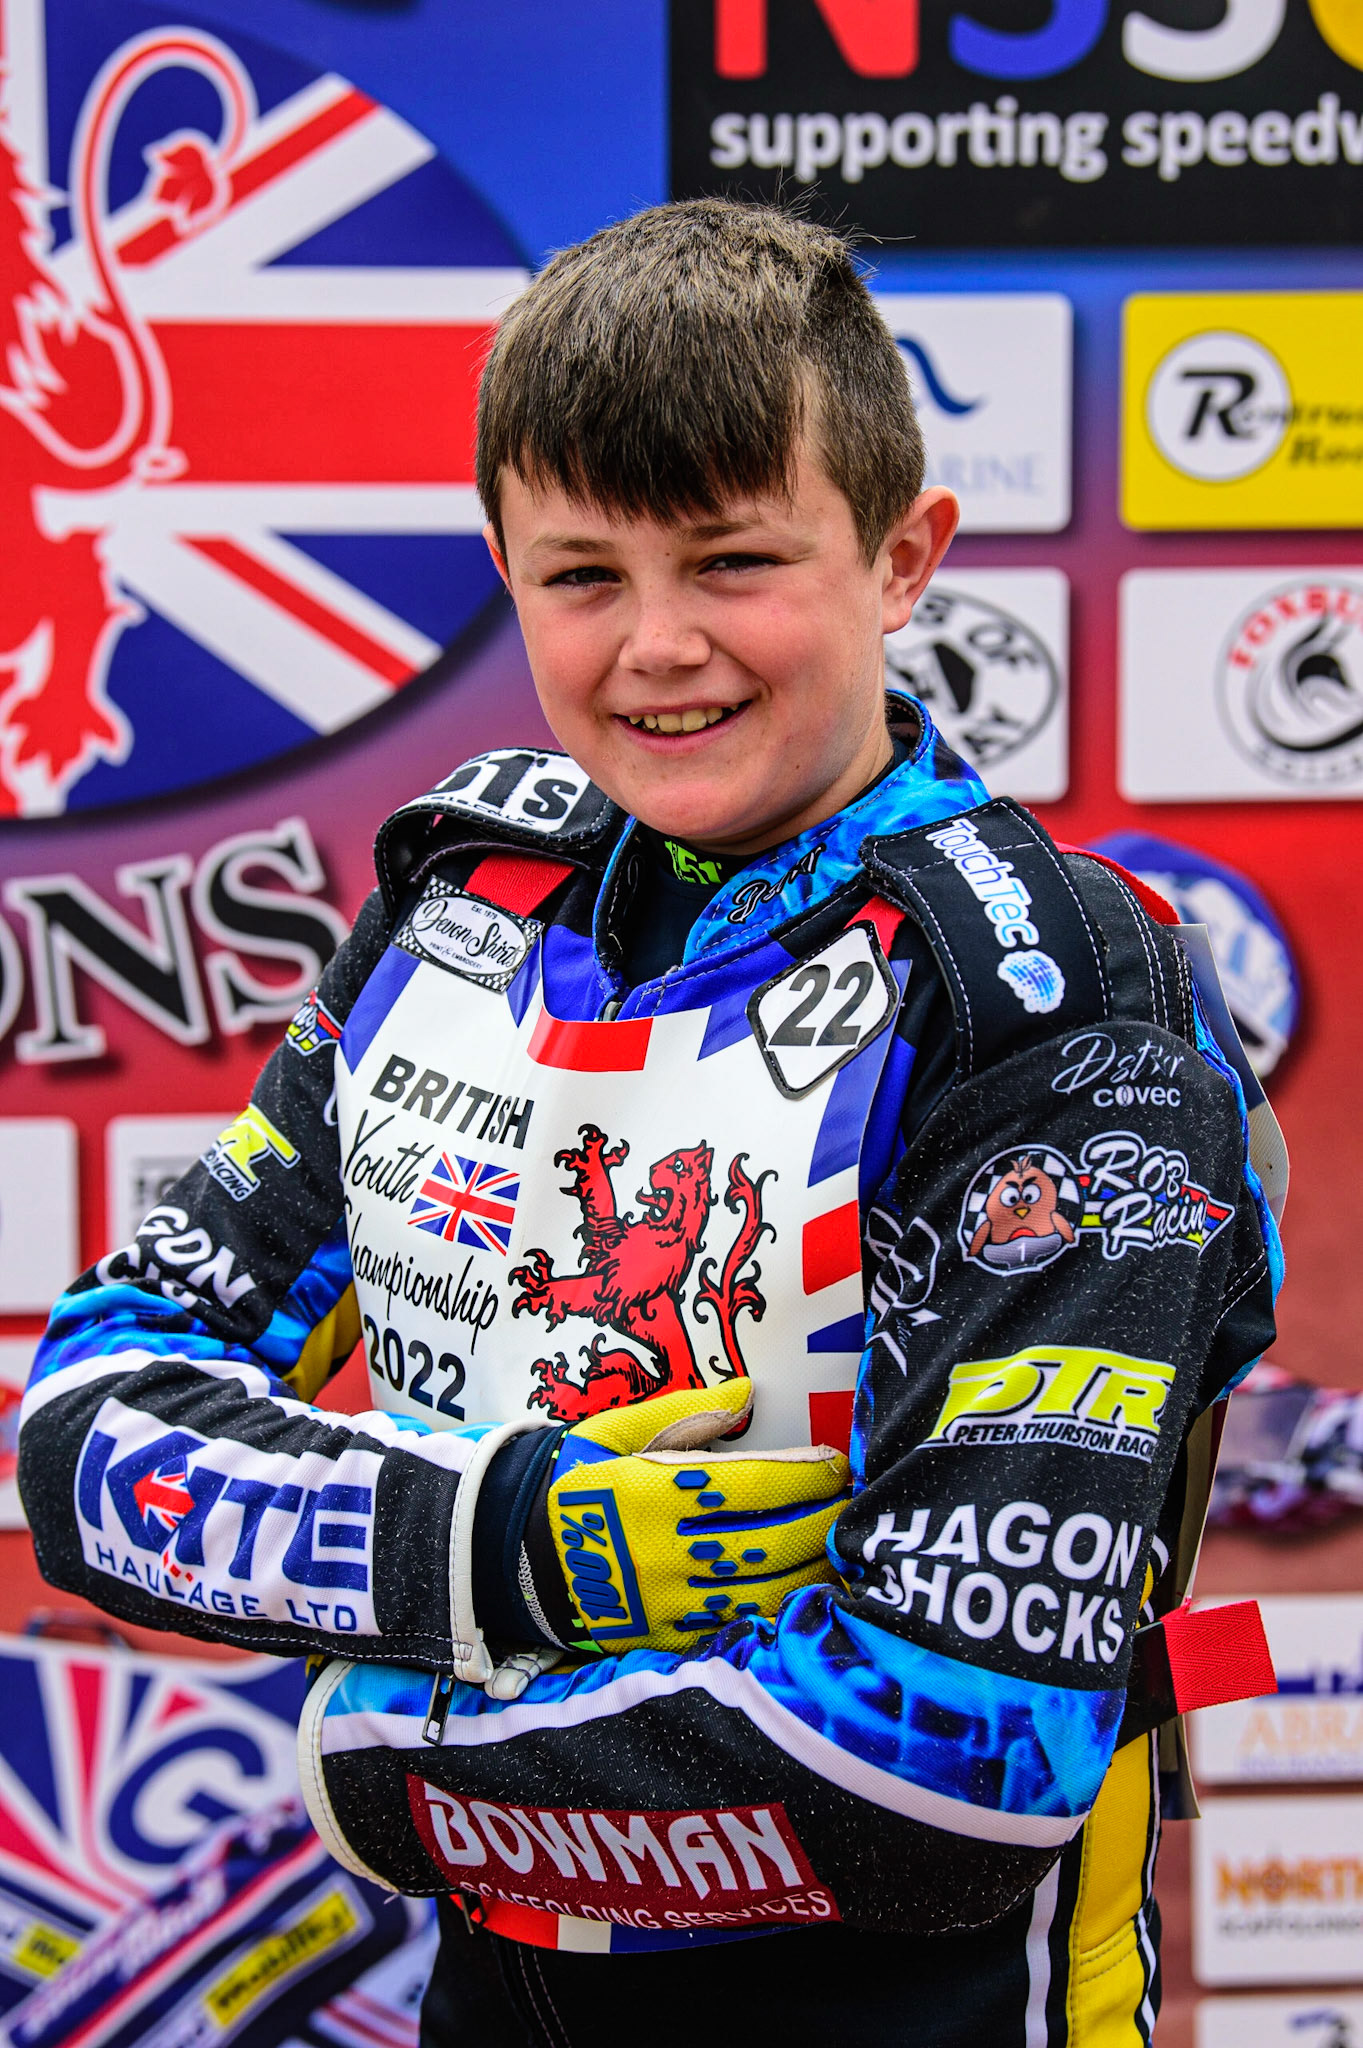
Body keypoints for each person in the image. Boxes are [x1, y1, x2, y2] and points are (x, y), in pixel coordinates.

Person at [18, 201, 1281, 2047]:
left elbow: (950, 1772)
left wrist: (389, 1770)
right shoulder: (467, 902)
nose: (659, 647)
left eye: (735, 560)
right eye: (583, 575)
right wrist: (502, 1547)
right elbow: (87, 1431)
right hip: (495, 2000)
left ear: (906, 555)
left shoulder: (1052, 991)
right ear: (503, 570)